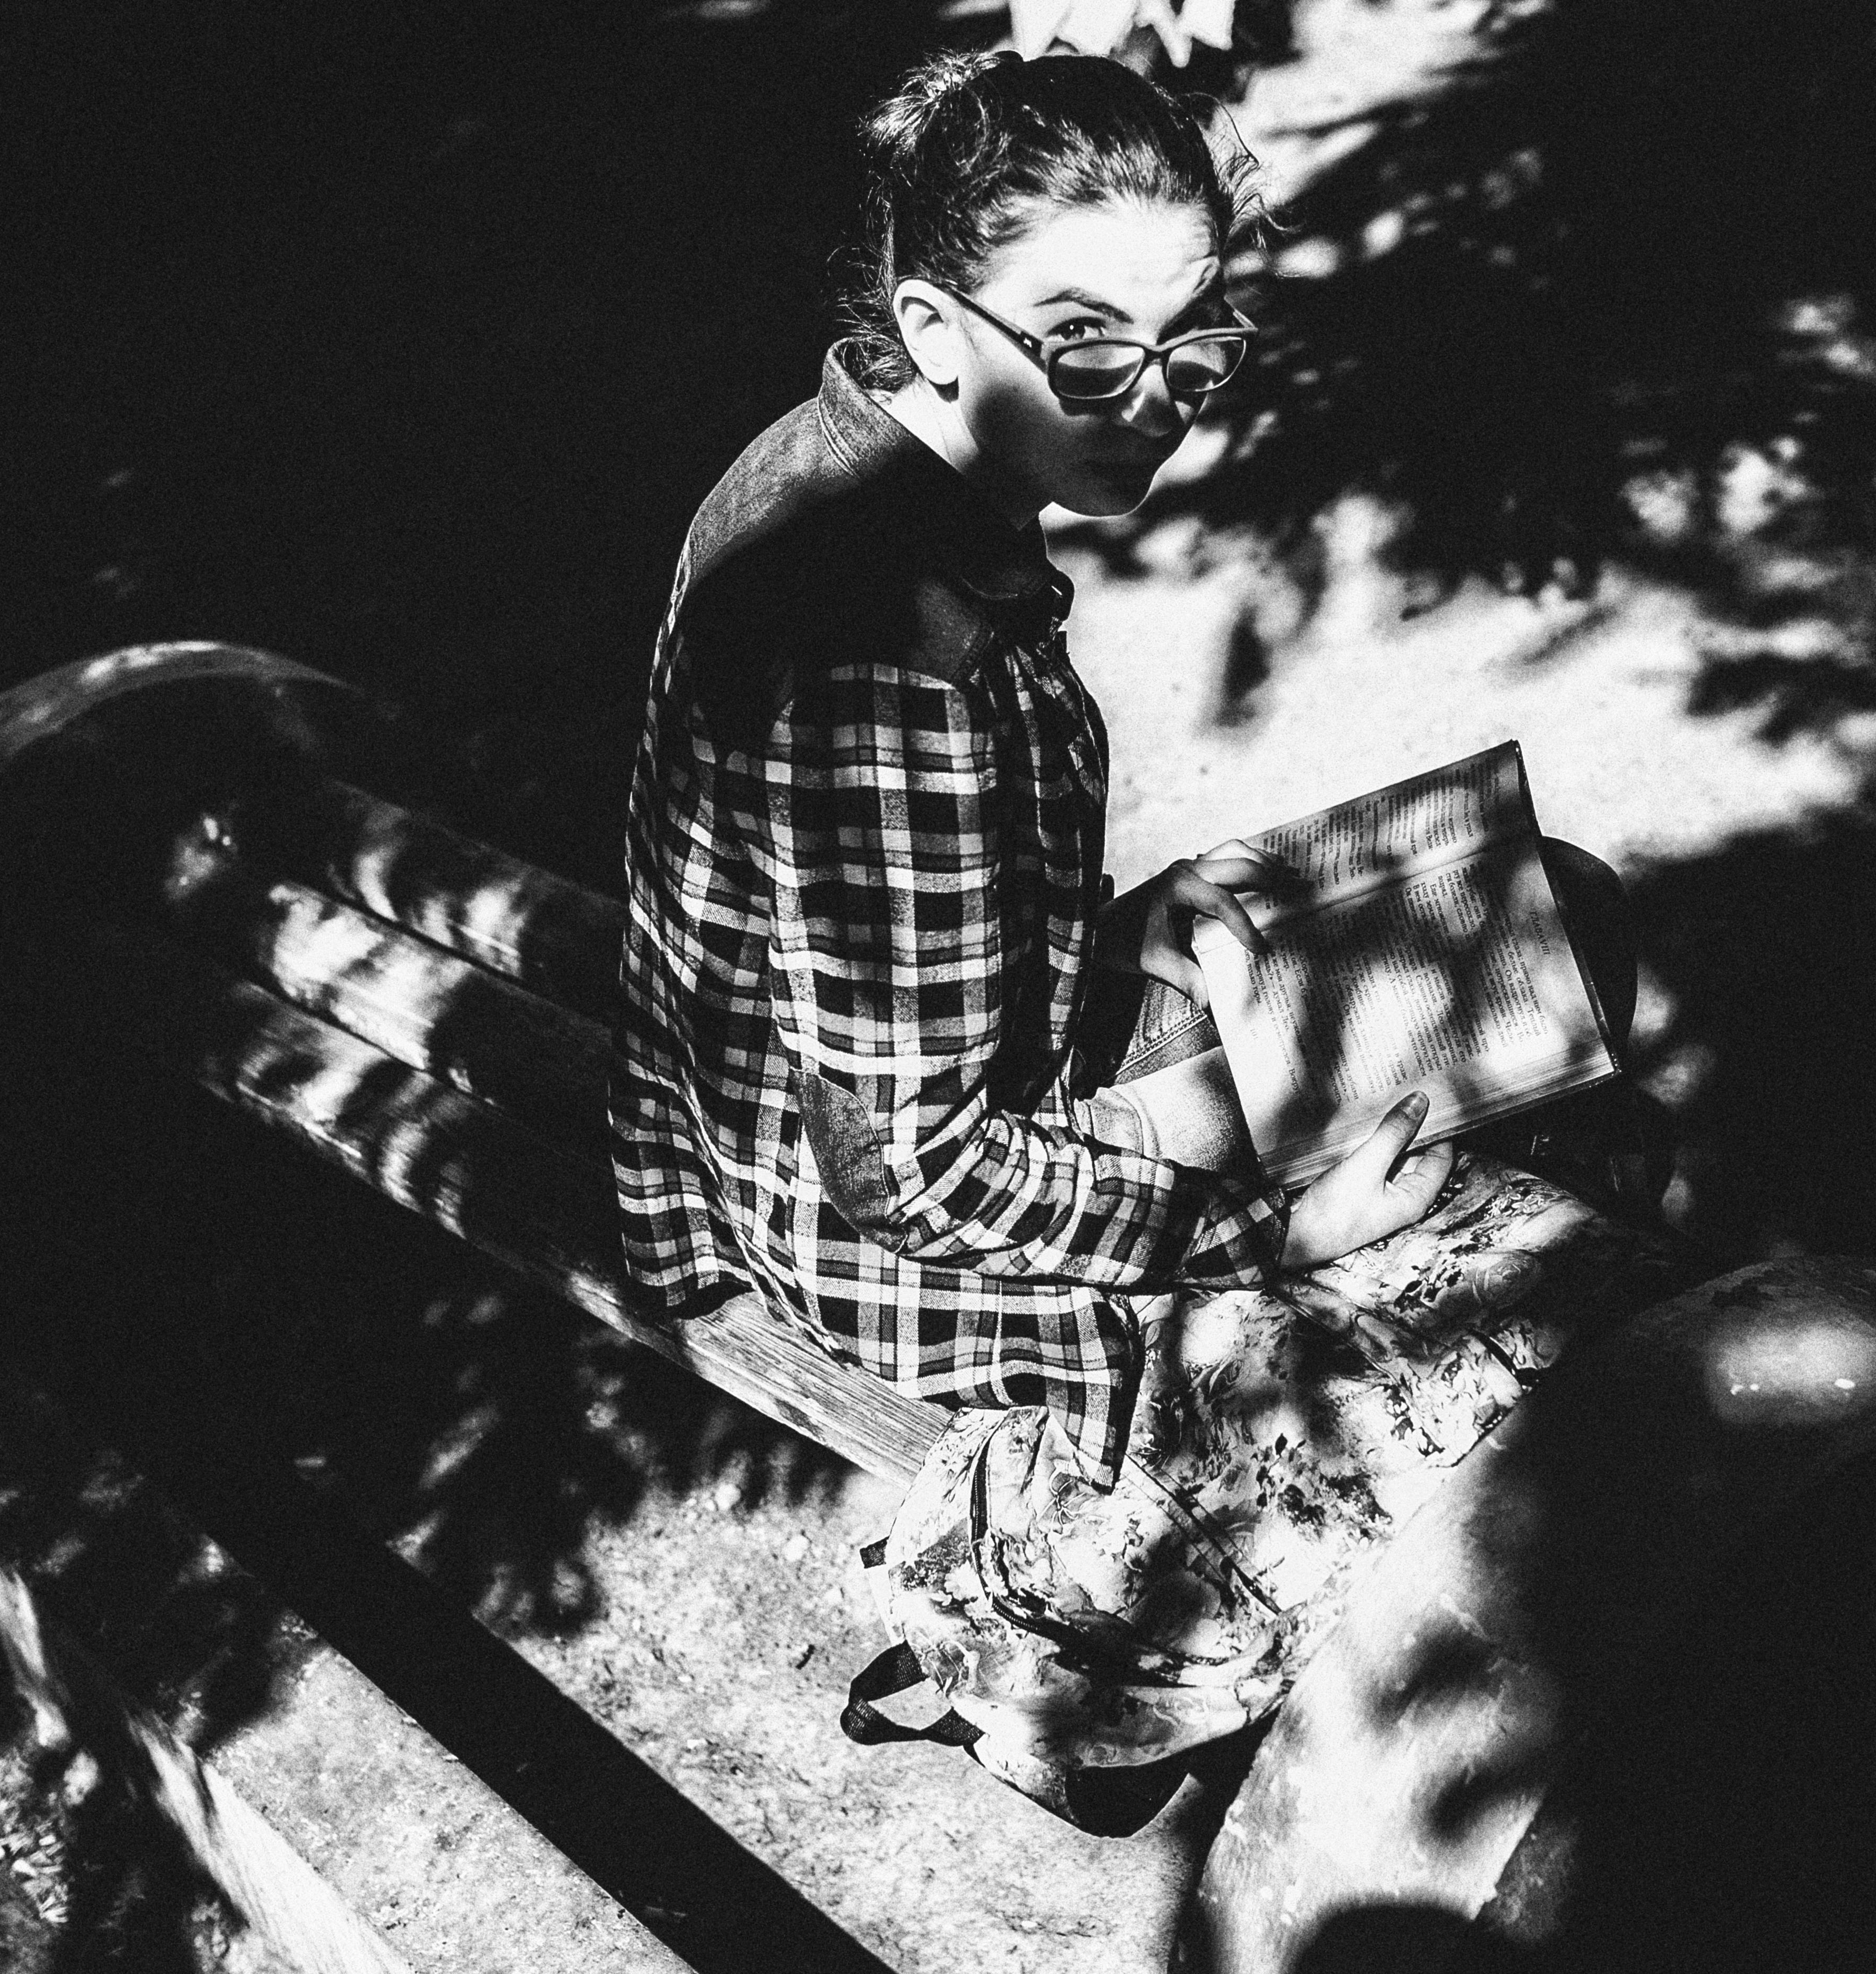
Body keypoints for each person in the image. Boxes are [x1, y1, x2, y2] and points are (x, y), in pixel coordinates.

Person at [611, 47, 1676, 1821]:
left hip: (835, 1118)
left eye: (1193, 344)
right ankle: (1268, 1689)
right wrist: (1267, 1226)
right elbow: (915, 1175)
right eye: (1087, 340)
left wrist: (1134, 929)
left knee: (1540, 922)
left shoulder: (841, 458)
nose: (1154, 394)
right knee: (1564, 1167)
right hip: (884, 1237)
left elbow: (871, 961)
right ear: (937, 323)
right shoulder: (903, 665)